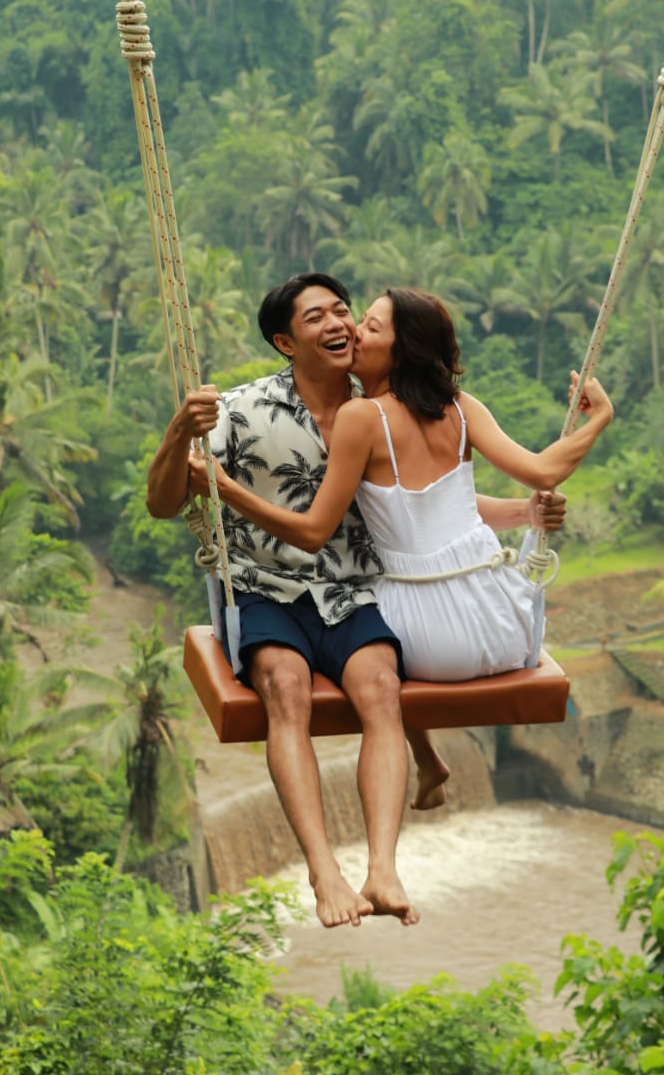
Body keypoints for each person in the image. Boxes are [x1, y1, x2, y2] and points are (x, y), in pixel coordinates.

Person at [146, 274, 568, 928]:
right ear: (286, 342)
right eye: (316, 317)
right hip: (267, 588)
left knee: (380, 686)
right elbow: (163, 503)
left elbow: (430, 502)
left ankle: (383, 870)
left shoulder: (379, 404)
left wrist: (526, 512)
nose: (339, 323)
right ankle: (324, 874)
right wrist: (179, 435)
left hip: (353, 589)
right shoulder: (240, 410)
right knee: (285, 688)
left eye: (344, 311)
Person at [191, 284, 612, 696]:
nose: (354, 332)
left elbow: (315, 531)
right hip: (505, 622)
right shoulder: (461, 407)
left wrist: (224, 488)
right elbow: (537, 473)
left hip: (422, 637)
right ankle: (420, 743)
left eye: (370, 328)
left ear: (402, 350)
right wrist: (598, 421)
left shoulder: (359, 416)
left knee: (357, 648)